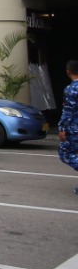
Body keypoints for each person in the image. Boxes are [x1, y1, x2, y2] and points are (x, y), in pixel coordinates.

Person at [59, 59, 78, 194]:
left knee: (65, 153)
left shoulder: (71, 89)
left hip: (74, 128)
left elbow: (68, 111)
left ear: (68, 72)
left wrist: (62, 128)